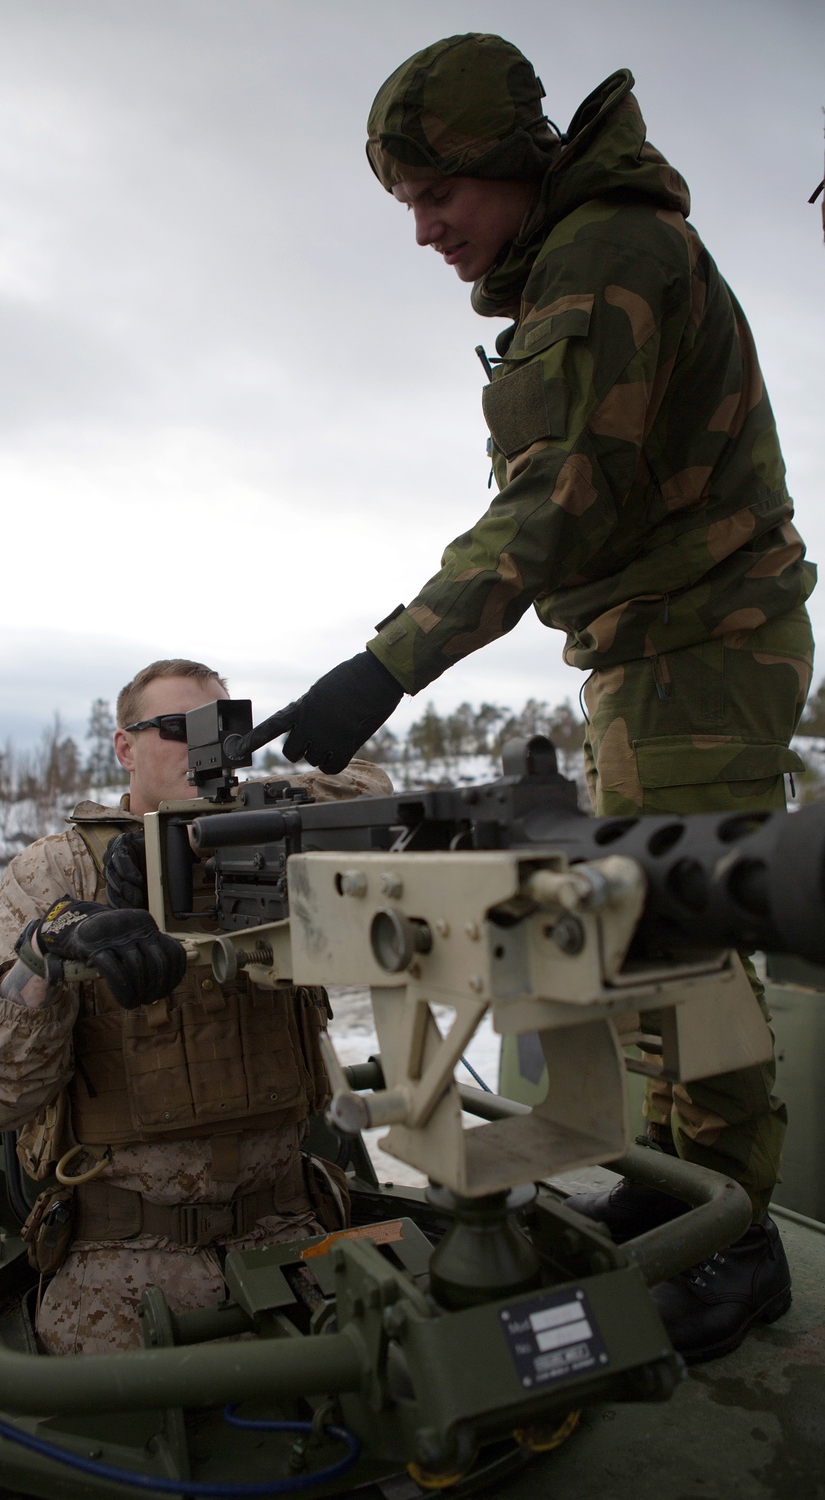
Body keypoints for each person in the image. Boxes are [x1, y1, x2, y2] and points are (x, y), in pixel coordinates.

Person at [263, 34, 813, 1362]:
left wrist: (384, 665)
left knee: (681, 934)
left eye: (436, 195)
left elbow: (553, 506)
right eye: (408, 206)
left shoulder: (608, 255)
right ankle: (681, 1186)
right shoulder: (586, 257)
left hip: (702, 639)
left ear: (508, 165)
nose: (427, 232)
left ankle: (734, 1247)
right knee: (647, 931)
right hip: (658, 646)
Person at [0, 658, 391, 1355]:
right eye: (179, 728)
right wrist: (51, 954)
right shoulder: (57, 872)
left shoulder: (273, 837)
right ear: (125, 747)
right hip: (123, 1263)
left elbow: (373, 793)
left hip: (293, 1233)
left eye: (228, 727)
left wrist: (231, 820)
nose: (210, 745)